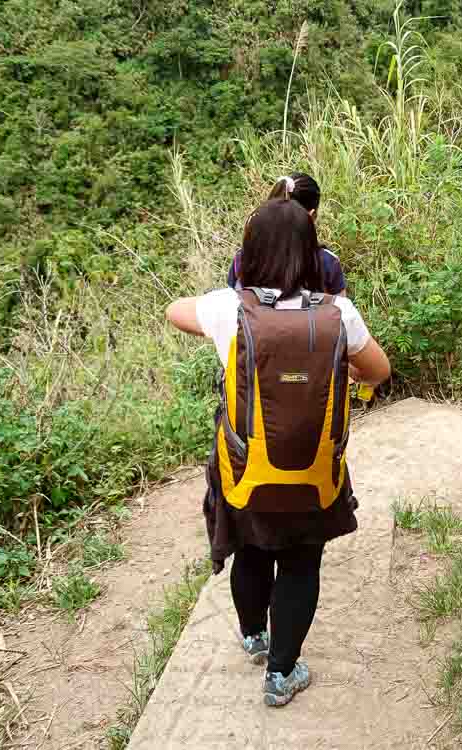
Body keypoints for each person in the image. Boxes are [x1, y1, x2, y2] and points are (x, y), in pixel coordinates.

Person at [165, 195, 390, 707]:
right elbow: (379, 371)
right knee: (300, 563)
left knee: (250, 547)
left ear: (251, 252)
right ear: (313, 252)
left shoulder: (229, 309)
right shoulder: (340, 313)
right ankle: (282, 673)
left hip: (246, 470)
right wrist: (346, 373)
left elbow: (173, 311)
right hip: (315, 473)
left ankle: (253, 637)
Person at [226, 174, 348, 297]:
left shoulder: (243, 258)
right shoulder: (327, 262)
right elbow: (341, 310)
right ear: (311, 216)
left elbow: (233, 305)